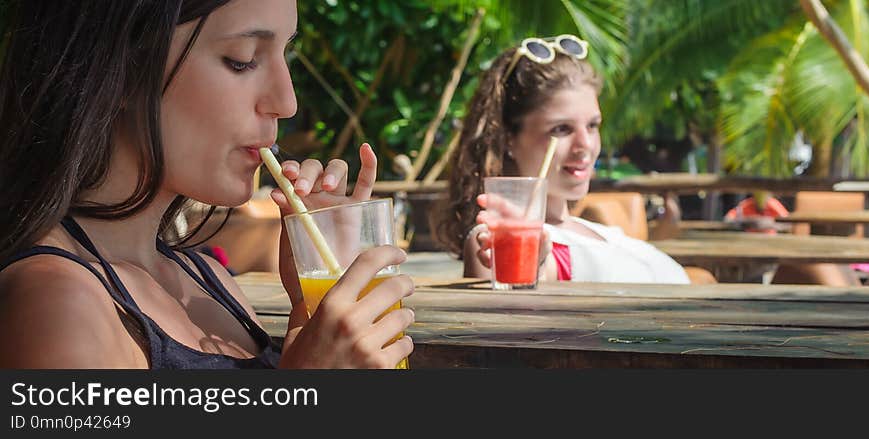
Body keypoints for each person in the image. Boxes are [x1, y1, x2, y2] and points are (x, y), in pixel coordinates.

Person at [0, 0, 414, 369]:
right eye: (243, 59)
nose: (287, 101)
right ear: (120, 68)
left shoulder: (206, 282)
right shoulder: (58, 306)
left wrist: (315, 317)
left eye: (285, 53)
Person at [433, 35, 689, 284]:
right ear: (508, 138)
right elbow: (507, 310)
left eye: (592, 125)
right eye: (561, 129)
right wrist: (531, 264)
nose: (585, 145)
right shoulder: (499, 239)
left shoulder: (600, 232)